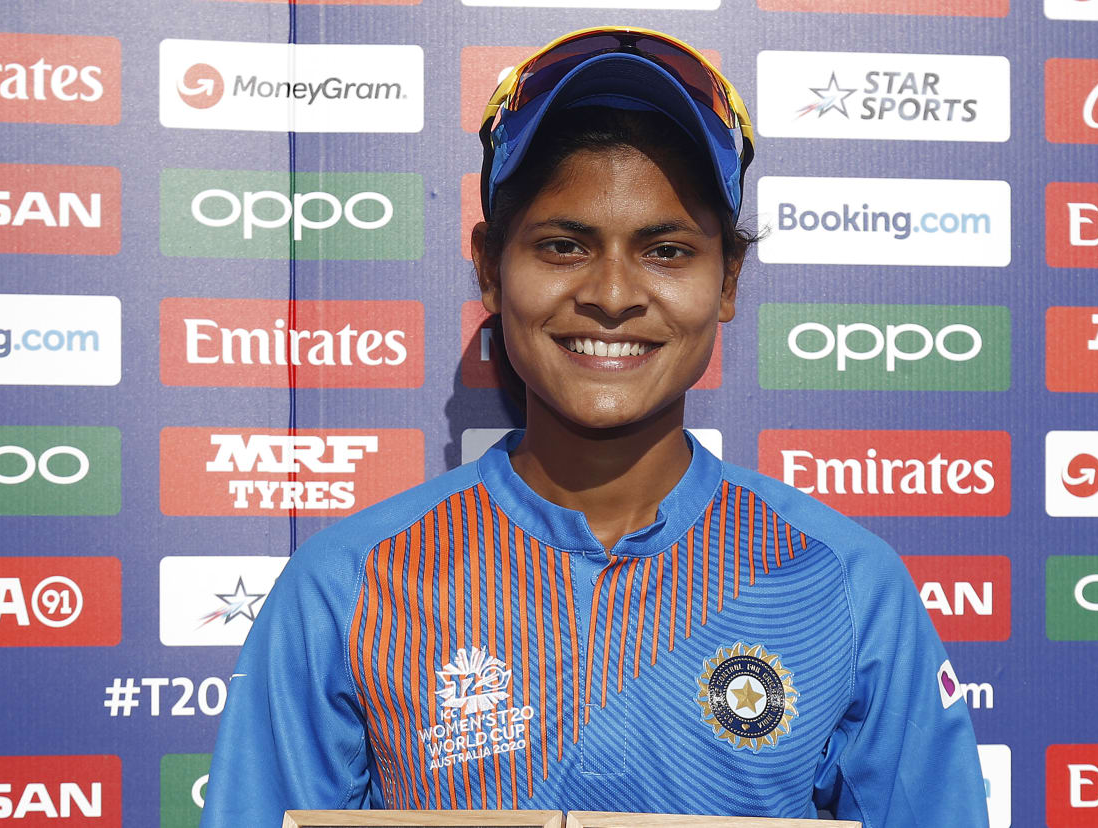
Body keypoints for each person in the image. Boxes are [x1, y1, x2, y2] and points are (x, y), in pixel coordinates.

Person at [201, 27, 988, 827]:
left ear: (729, 282)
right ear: (488, 266)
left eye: (668, 251)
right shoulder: (347, 586)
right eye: (564, 245)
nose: (612, 294)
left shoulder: (843, 583)